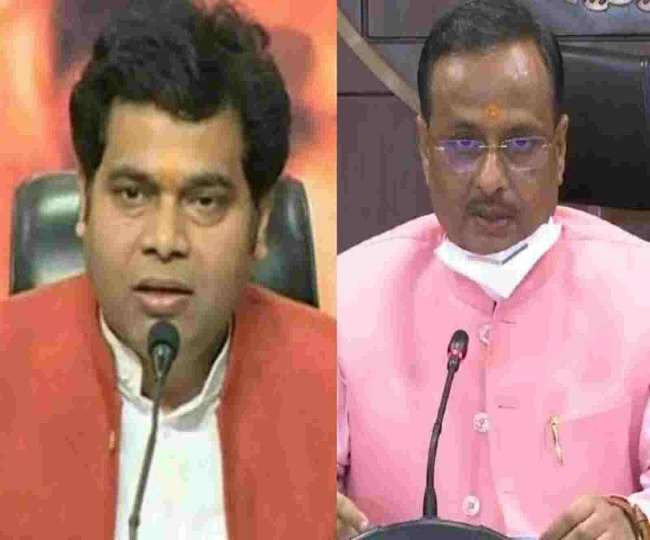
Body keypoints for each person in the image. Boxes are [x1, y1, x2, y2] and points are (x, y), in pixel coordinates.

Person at [0, 1, 334, 538]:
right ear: (84, 201)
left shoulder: (342, 383)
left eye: (204, 201)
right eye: (133, 194)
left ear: (262, 221)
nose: (164, 240)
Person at [337, 1, 650, 539]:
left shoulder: (642, 289)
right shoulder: (348, 294)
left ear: (560, 149)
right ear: (424, 148)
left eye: (521, 144)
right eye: (462, 144)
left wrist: (636, 519)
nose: (490, 179)